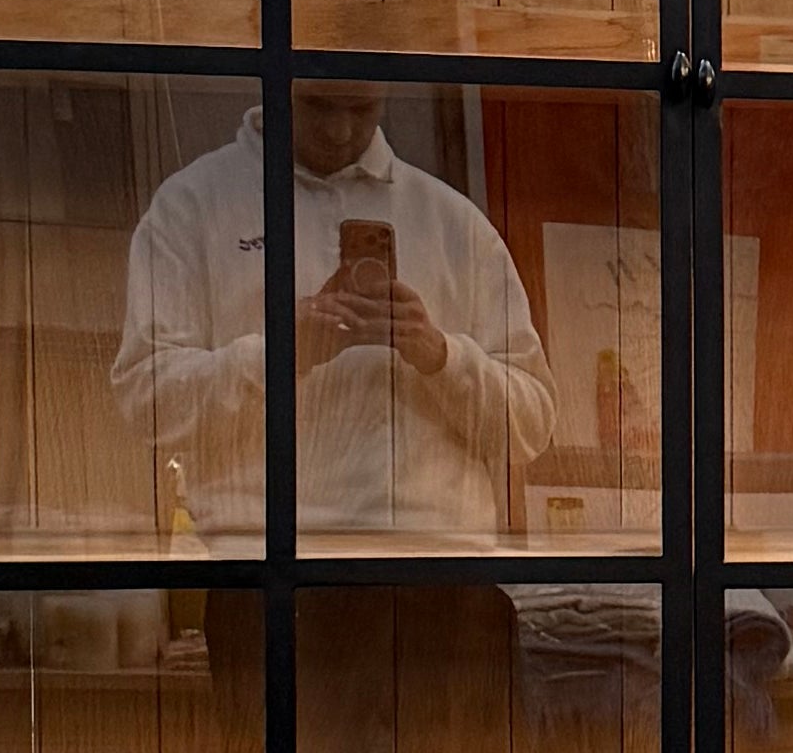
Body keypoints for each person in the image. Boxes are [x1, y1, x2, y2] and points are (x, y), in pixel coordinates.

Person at [113, 89, 554, 547]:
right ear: (279, 84)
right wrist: (279, 357)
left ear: (386, 96)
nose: (340, 131)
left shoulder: (455, 222)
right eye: (319, 105)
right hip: (267, 566)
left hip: (437, 571)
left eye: (362, 108)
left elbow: (532, 428)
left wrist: (440, 356)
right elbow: (146, 404)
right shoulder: (193, 204)